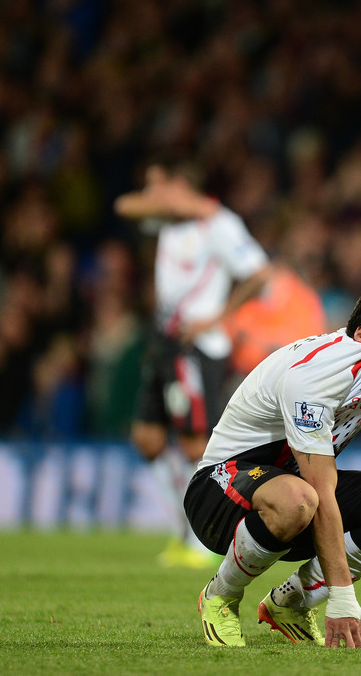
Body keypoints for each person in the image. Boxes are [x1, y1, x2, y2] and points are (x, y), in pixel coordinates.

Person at [186, 279, 361, 648]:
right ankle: (220, 595)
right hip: (219, 493)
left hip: (296, 492)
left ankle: (290, 603)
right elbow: (319, 489)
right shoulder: (315, 375)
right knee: (300, 497)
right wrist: (342, 599)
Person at [115, 157, 271, 568]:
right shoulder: (169, 222)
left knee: (193, 444)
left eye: (158, 187)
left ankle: (203, 537)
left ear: (180, 187)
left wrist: (216, 318)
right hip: (166, 341)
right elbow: (125, 206)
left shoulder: (220, 225)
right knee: (147, 439)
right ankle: (181, 529)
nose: (151, 196)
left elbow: (258, 273)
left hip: (197, 348)